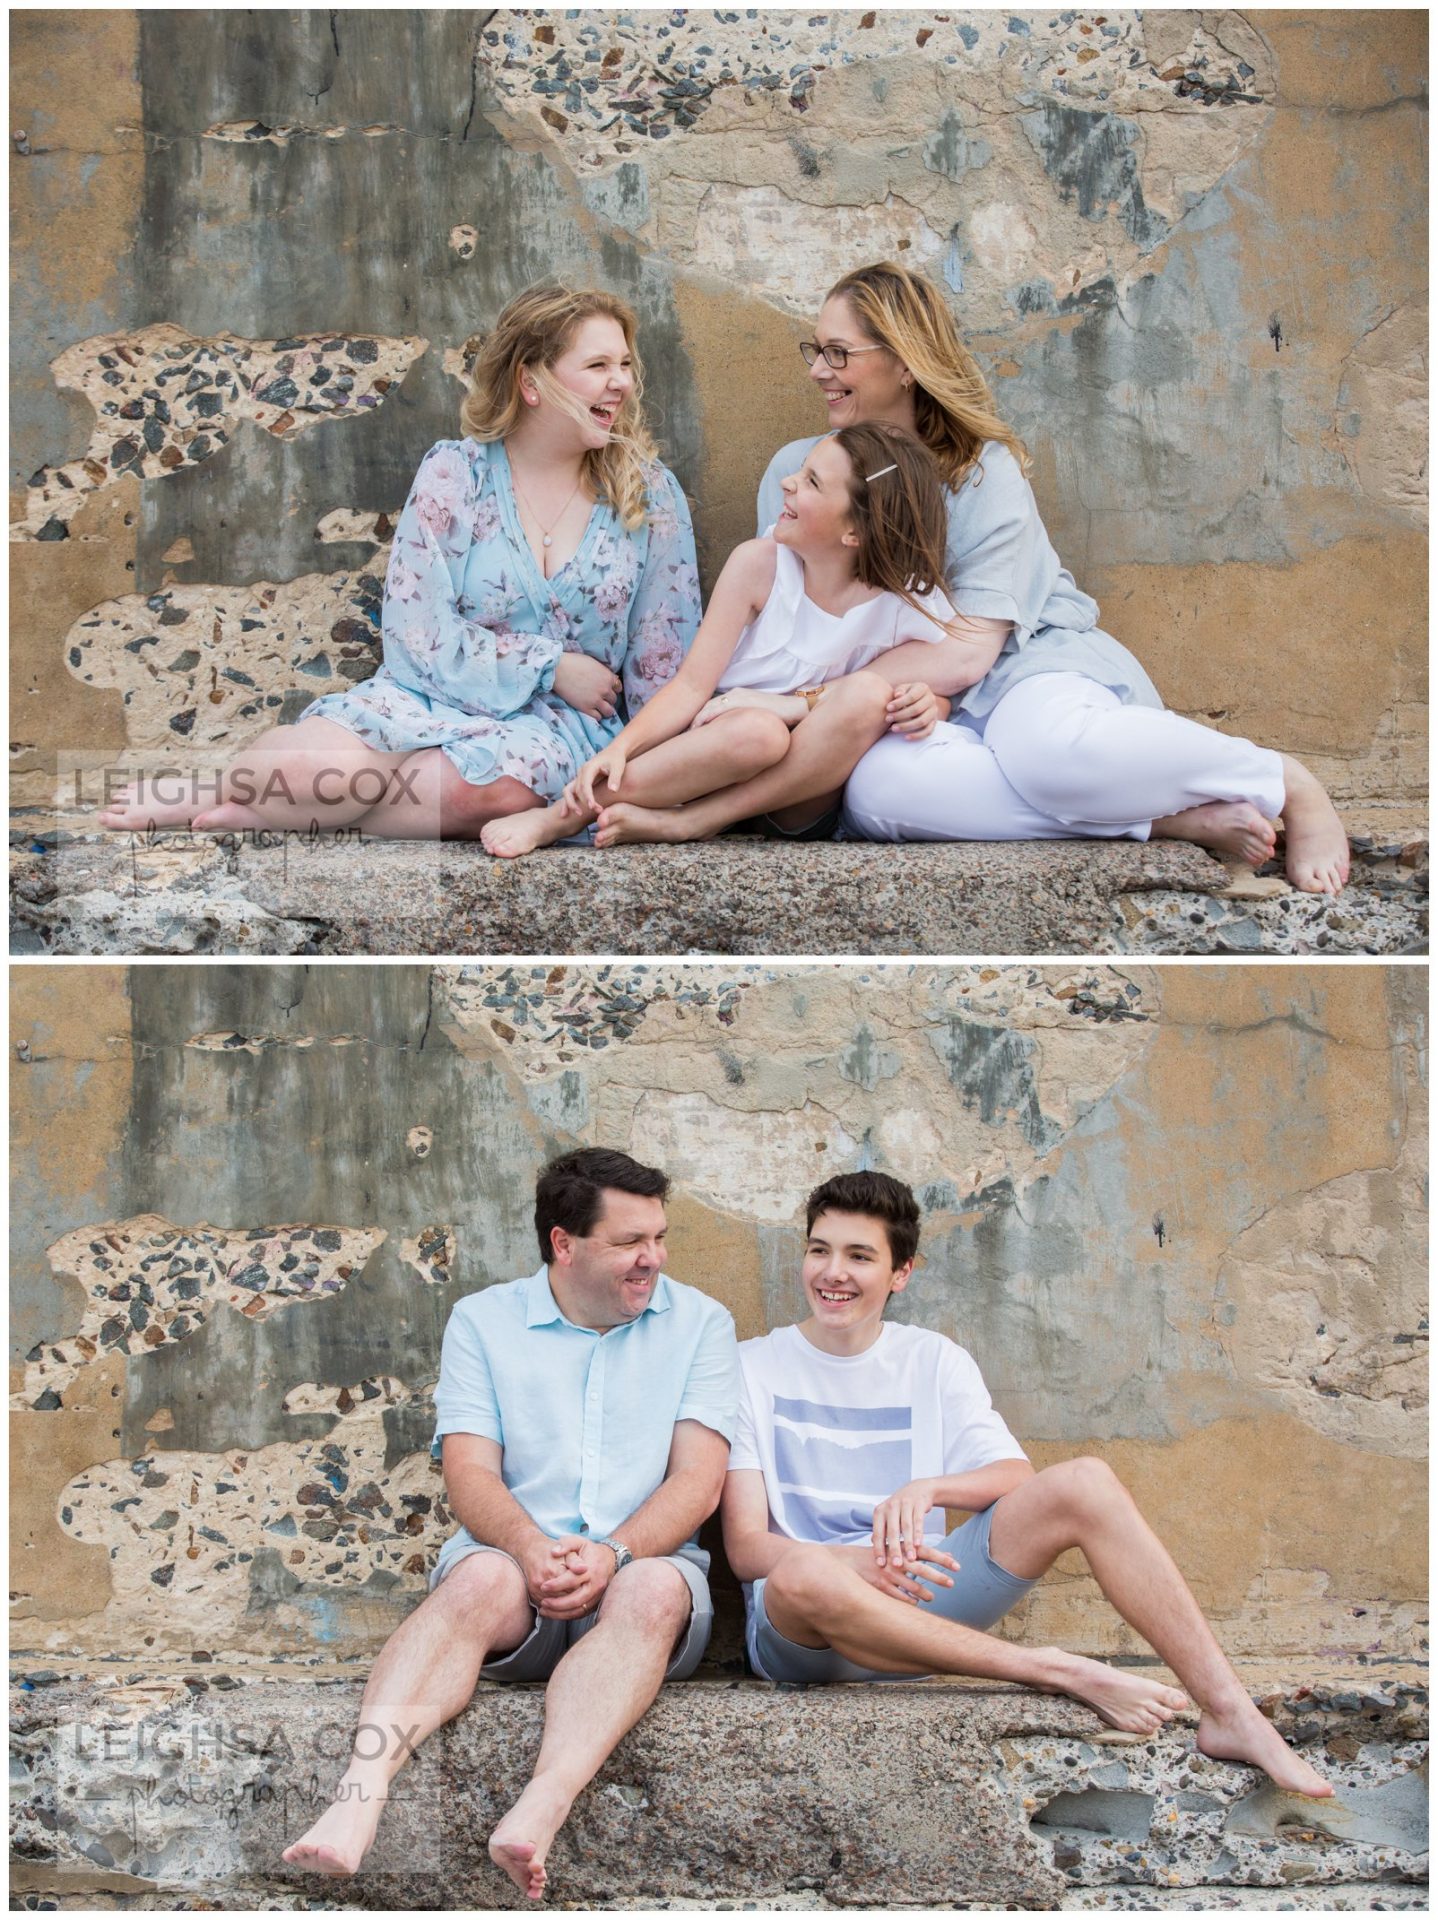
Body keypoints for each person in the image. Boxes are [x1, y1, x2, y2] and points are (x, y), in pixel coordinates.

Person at [721, 1169, 1333, 1799]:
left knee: (1086, 1483)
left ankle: (1231, 1713)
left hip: (918, 1600)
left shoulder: (933, 1360)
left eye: (859, 1256)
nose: (832, 1273)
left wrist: (929, 1488)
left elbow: (1015, 1476)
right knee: (804, 1573)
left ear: (902, 1272)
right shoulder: (749, 1367)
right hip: (803, 1635)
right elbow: (745, 1548)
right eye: (819, 1250)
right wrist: (856, 1564)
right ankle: (1057, 1670)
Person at [757, 262, 1350, 894]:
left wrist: (810, 702)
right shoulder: (797, 472)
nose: (818, 369)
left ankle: (1280, 779)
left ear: (905, 362)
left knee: (1050, 757)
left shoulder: (979, 472)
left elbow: (966, 652)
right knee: (882, 796)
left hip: (1021, 668)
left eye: (839, 353)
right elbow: (793, 617)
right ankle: (1166, 820)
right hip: (903, 704)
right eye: (815, 350)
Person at [281, 1148, 739, 1899]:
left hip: (640, 1577)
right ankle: (356, 1800)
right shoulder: (484, 1321)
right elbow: (470, 1472)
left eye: (658, 1237)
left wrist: (615, 1553)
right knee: (478, 1579)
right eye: (629, 1242)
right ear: (564, 1243)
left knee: (655, 1590)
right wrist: (528, 1548)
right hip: (513, 1576)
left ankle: (541, 1806)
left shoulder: (700, 1324)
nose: (651, 1258)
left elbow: (698, 1477)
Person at [99, 286, 701, 840]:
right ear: (531, 381)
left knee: (483, 792)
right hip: (432, 691)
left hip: (555, 727)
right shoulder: (455, 473)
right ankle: (236, 791)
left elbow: (663, 658)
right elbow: (416, 636)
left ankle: (290, 815)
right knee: (308, 769)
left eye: (624, 365)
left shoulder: (650, 494)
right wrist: (549, 664)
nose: (620, 382)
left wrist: (657, 778)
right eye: (597, 366)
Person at [480, 424, 977, 857]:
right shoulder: (759, 566)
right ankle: (561, 817)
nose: (788, 481)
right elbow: (692, 686)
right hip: (725, 756)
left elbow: (940, 687)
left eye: (811, 482)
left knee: (867, 696)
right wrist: (622, 749)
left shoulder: (907, 601)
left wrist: (927, 704)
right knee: (756, 733)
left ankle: (694, 824)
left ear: (854, 532)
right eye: (801, 470)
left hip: (801, 796)